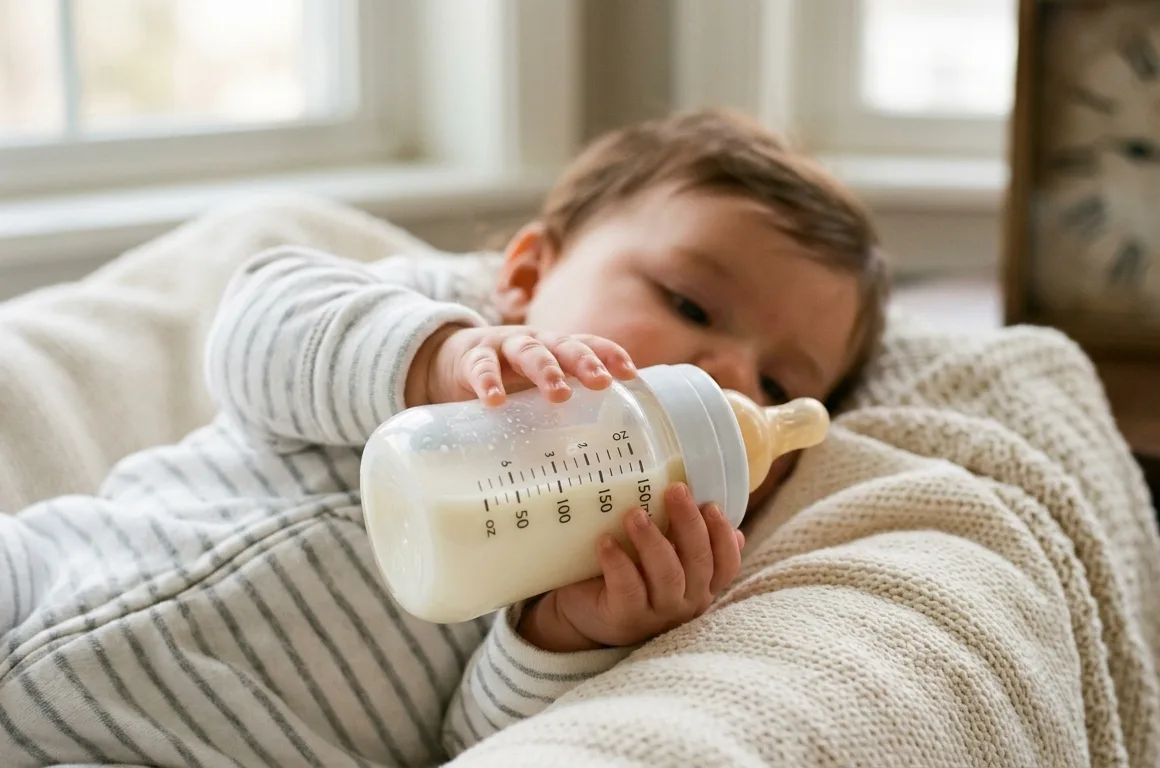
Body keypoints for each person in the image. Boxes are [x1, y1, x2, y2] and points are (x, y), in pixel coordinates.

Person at [0, 109, 890, 766]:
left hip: (204, 741)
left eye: (779, 384)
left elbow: (471, 743)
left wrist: (571, 632)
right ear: (529, 275)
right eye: (689, 303)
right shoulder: (433, 326)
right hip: (49, 568)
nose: (732, 378)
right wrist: (437, 357)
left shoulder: (609, 561)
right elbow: (252, 331)